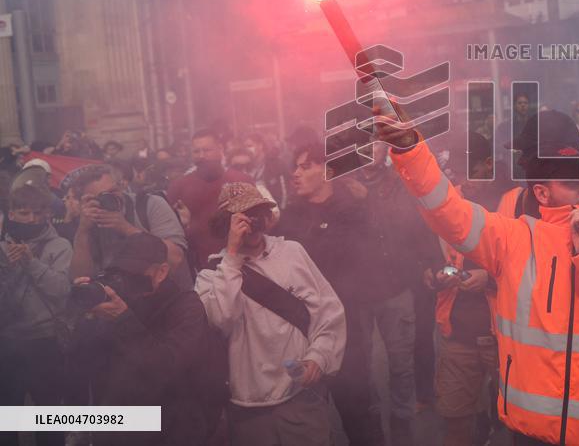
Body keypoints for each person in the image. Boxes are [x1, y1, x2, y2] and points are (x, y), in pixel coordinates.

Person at [374, 101, 579, 446]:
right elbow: (447, 212)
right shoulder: (514, 238)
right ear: (542, 192)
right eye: (571, 179)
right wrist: (410, 150)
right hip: (533, 435)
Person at [196, 182, 346, 446]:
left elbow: (328, 311)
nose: (250, 224)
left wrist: (318, 356)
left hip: (300, 397)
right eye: (240, 218)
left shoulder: (292, 253)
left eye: (256, 214)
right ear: (225, 226)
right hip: (247, 406)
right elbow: (221, 320)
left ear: (266, 218)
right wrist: (232, 256)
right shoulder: (210, 277)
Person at [275, 143, 385, 446]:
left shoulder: (351, 211)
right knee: (308, 419)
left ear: (327, 171)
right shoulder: (288, 216)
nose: (295, 174)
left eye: (304, 166)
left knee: (357, 413)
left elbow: (367, 264)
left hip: (345, 327)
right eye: (294, 167)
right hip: (300, 330)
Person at [72, 233, 216, 446]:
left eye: (134, 274)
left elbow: (167, 368)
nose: (125, 281)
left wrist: (123, 320)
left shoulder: (186, 307)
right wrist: (86, 315)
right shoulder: (117, 302)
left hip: (169, 429)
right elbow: (84, 366)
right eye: (119, 274)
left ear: (161, 272)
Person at [431, 132, 515, 446]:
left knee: (517, 421)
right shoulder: (448, 200)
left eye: (472, 171)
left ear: (490, 164)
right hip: (457, 332)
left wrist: (488, 280)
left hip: (504, 335)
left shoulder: (511, 202)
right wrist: (434, 273)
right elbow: (421, 247)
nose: (465, 180)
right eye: (459, 172)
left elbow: (529, 266)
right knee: (455, 420)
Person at [358, 141, 442, 446]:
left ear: (385, 150)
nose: (369, 150)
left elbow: (421, 225)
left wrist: (432, 263)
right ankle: (369, 428)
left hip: (398, 282)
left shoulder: (400, 182)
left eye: (375, 145)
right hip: (358, 289)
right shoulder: (344, 183)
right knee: (360, 364)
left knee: (401, 362)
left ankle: (403, 428)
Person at [0, 184, 71, 446]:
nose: (30, 219)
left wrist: (32, 262)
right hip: (7, 341)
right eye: (23, 212)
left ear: (45, 214)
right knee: (6, 418)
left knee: (49, 416)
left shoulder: (59, 245)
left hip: (45, 340)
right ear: (11, 213)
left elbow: (62, 290)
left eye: (36, 213)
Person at [68, 164, 192, 290]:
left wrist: (127, 228)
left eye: (113, 191)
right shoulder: (91, 220)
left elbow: (176, 259)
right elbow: (80, 278)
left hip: (169, 298)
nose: (110, 198)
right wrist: (83, 230)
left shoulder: (150, 205)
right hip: (124, 303)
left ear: (122, 186)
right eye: (101, 197)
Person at [167, 129, 251, 269]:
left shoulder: (241, 180)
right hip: (199, 266)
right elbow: (169, 234)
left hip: (242, 263)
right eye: (196, 151)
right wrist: (182, 225)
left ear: (220, 149)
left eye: (207, 150)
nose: (202, 156)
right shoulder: (179, 186)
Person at [244, 133, 288, 209]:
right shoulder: (245, 167)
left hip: (275, 210)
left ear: (260, 146)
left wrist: (281, 210)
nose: (247, 150)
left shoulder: (276, 164)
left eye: (250, 146)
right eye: (245, 147)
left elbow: (285, 191)